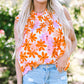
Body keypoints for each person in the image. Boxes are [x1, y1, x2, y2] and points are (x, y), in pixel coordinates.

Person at [13, 0, 77, 84]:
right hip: (32, 76)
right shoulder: (21, 19)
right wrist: (19, 82)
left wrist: (66, 56)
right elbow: (18, 56)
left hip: (57, 75)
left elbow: (73, 40)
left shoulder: (61, 13)